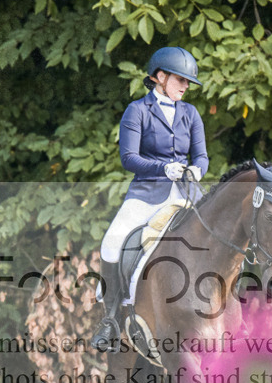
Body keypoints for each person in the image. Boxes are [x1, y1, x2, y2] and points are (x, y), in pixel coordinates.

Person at [89, 46, 209, 352]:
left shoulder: (190, 113)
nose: (185, 86)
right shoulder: (137, 111)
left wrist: (196, 169)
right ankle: (111, 319)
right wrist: (162, 168)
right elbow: (129, 158)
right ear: (159, 76)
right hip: (147, 193)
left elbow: (202, 156)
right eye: (180, 79)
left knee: (227, 233)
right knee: (112, 242)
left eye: (187, 81)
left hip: (187, 193)